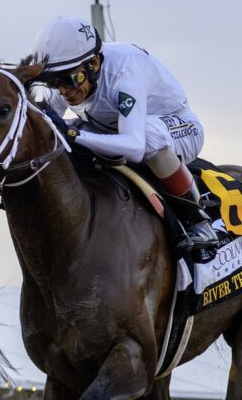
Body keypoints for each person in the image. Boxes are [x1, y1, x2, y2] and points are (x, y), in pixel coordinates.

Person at [31, 15, 218, 252]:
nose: (64, 91)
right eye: (54, 83)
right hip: (116, 129)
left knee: (146, 136)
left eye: (71, 80)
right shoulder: (69, 73)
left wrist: (73, 134)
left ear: (95, 63)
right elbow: (45, 127)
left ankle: (198, 219)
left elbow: (135, 147)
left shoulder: (125, 70)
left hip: (179, 129)